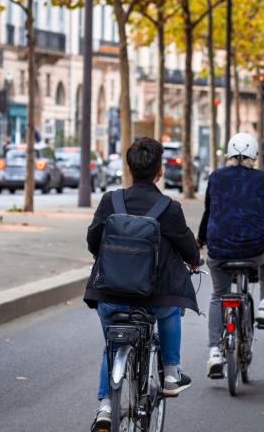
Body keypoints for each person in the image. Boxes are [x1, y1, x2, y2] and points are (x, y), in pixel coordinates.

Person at [84, 137, 201, 431]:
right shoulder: (169, 208)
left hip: (110, 295)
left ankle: (105, 407)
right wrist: (193, 262)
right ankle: (172, 373)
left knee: (111, 344)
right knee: (171, 310)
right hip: (154, 299)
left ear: (128, 167)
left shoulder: (110, 201)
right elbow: (190, 250)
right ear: (159, 171)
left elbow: (92, 242)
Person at [199, 132, 264, 378]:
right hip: (254, 248)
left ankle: (215, 353)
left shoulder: (216, 177)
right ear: (254, 156)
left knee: (218, 295)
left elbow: (210, 211)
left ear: (229, 154)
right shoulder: (263, 178)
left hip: (219, 250)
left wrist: (201, 240)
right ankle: (263, 306)